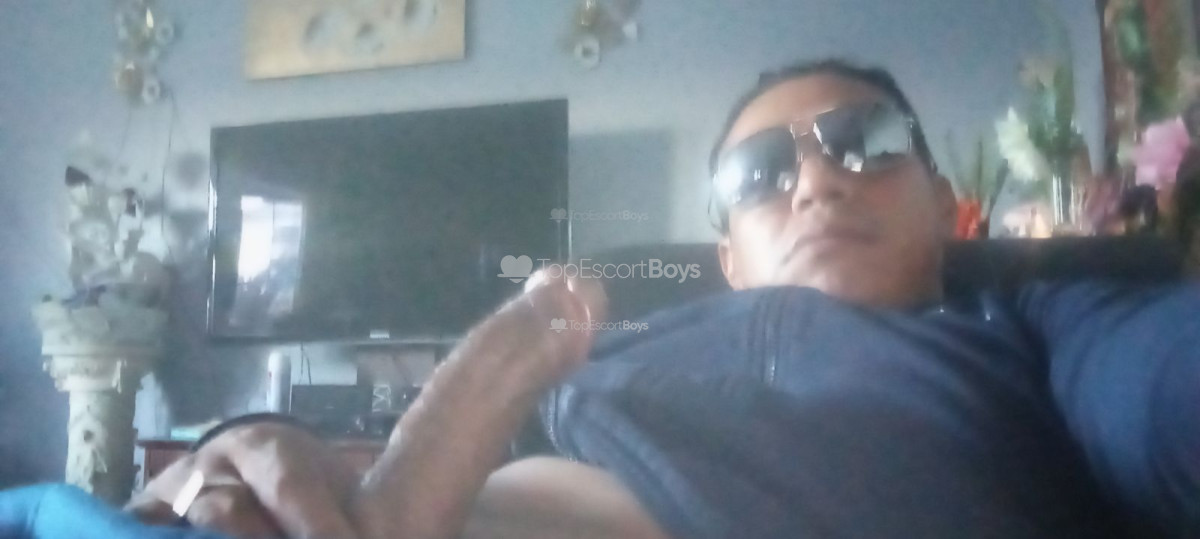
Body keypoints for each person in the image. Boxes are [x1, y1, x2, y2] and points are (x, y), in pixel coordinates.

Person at [113, 59, 1200, 538]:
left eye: (864, 141)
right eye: (760, 172)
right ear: (729, 255)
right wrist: (255, 457)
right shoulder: (609, 342)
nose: (815, 181)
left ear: (946, 200)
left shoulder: (1039, 323)